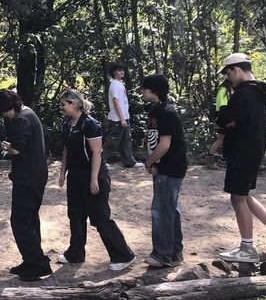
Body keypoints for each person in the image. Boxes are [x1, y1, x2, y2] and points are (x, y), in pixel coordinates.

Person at [215, 53, 266, 262]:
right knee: (244, 194)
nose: (229, 79)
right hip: (254, 151)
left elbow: (222, 118)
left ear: (236, 69)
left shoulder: (244, 94)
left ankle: (247, 248)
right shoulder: (259, 92)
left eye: (228, 73)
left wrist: (227, 120)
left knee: (237, 198)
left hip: (242, 152)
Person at [57, 89, 135, 271]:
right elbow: (66, 151)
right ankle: (75, 253)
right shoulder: (67, 124)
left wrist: (94, 179)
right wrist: (62, 173)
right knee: (75, 215)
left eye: (63, 104)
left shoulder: (90, 124)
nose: (61, 107)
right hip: (75, 175)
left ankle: (124, 255)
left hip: (93, 173)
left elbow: (96, 152)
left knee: (100, 217)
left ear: (74, 104)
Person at [0, 89, 52, 281]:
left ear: (12, 106)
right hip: (34, 175)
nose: (4, 115)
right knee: (30, 219)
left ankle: (39, 264)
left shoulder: (22, 119)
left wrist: (8, 147)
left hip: (28, 177)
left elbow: (17, 149)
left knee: (20, 221)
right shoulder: (28, 113)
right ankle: (31, 260)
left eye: (5, 111)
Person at [141, 74, 187, 268]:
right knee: (169, 209)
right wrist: (153, 163)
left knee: (161, 211)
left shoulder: (167, 112)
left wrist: (149, 162)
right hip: (161, 166)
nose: (142, 91)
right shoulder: (155, 110)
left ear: (155, 90)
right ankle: (174, 251)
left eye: (145, 87)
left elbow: (165, 145)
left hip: (171, 167)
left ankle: (162, 255)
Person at [103, 63, 144, 168]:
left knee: (126, 140)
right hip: (117, 119)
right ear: (114, 72)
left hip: (124, 117)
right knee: (113, 141)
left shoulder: (119, 84)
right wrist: (122, 119)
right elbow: (116, 102)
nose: (122, 72)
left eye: (122, 70)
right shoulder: (115, 85)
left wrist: (125, 118)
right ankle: (101, 161)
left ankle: (129, 162)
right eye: (119, 70)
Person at [208, 78, 233, 156]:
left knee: (223, 139)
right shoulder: (223, 90)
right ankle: (210, 156)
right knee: (221, 139)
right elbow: (223, 106)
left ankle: (213, 156)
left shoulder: (224, 90)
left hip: (222, 115)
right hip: (223, 116)